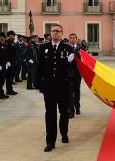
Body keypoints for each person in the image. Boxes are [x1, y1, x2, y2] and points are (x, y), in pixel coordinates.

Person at [36, 24, 74, 152]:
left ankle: (64, 133)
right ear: (50, 33)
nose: (55, 33)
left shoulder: (67, 48)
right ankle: (50, 141)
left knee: (64, 112)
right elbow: (39, 66)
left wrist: (71, 61)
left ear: (62, 33)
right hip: (49, 87)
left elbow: (72, 68)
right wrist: (38, 84)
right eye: (53, 31)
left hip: (63, 86)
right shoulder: (44, 48)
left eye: (58, 31)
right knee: (50, 114)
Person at [67, 33, 82, 118]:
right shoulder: (66, 48)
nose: (72, 39)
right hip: (69, 73)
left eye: (73, 38)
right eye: (70, 38)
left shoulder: (80, 48)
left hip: (77, 73)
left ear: (76, 39)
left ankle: (77, 107)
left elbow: (83, 60)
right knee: (69, 92)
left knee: (76, 91)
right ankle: (71, 110)